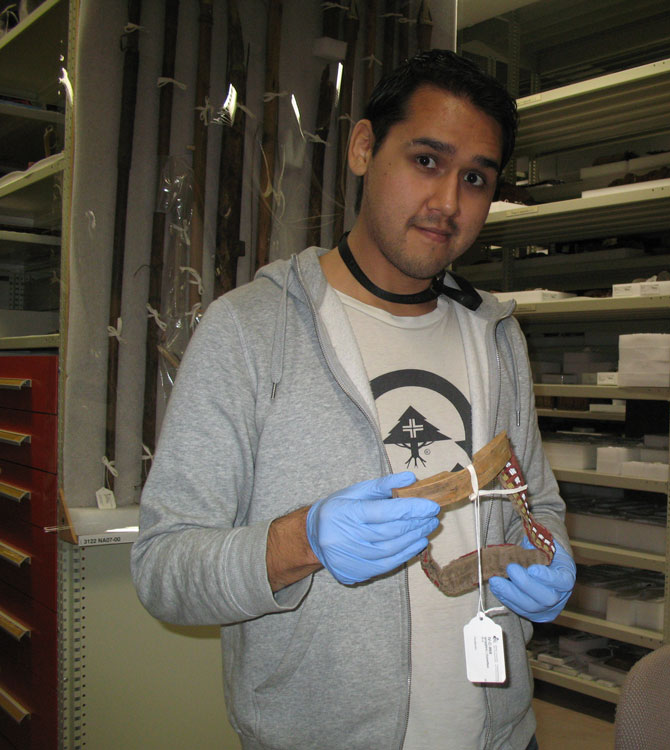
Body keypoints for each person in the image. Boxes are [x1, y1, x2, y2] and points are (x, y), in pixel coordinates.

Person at [131, 49, 575, 750]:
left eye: (475, 178)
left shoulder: (496, 336)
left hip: (498, 735)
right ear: (365, 147)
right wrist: (298, 543)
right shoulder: (251, 330)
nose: (448, 203)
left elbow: (534, 505)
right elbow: (163, 566)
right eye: (426, 160)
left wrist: (544, 550)